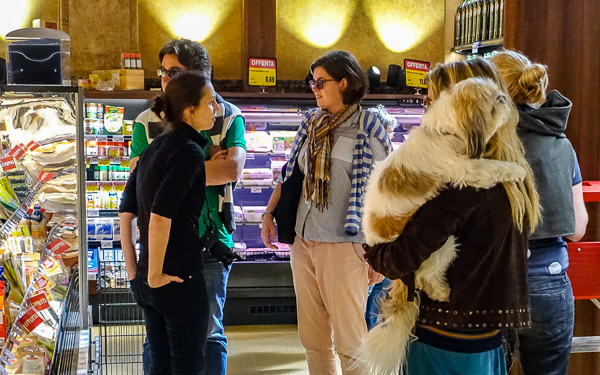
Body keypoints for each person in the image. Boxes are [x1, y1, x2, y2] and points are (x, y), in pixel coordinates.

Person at [362, 58, 541, 375]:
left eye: (431, 101)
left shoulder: (460, 187)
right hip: (487, 339)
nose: (428, 112)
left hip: (444, 340)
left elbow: (398, 261)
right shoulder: (514, 177)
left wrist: (373, 249)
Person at [260, 50, 391, 375]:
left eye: (321, 82)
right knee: (314, 339)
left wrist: (379, 250)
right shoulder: (310, 122)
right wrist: (268, 213)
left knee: (351, 342)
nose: (314, 88)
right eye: (312, 82)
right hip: (303, 243)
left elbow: (387, 189)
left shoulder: (368, 125)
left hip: (344, 245)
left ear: (344, 82)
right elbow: (289, 174)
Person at [127, 39, 246, 375]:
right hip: (161, 245)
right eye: (162, 71)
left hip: (211, 238)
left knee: (209, 333)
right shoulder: (144, 120)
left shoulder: (228, 114)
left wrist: (170, 168)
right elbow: (139, 177)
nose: (165, 78)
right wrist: (205, 162)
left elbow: (232, 169)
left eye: (174, 72)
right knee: (159, 339)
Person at [492, 50, 588, 375]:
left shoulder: (482, 146)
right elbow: (577, 228)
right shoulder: (560, 144)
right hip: (549, 276)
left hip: (492, 280)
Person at [119, 70, 218, 374]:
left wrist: (137, 272)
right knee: (188, 364)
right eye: (211, 103)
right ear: (190, 110)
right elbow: (161, 217)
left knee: (160, 363)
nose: (216, 109)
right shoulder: (188, 152)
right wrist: (158, 275)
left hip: (150, 274)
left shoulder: (153, 148)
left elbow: (126, 212)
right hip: (179, 278)